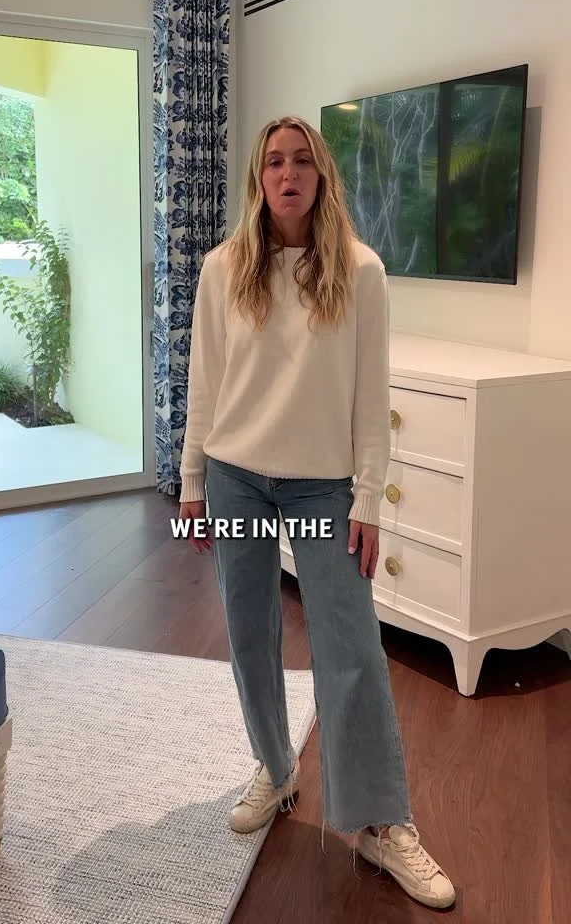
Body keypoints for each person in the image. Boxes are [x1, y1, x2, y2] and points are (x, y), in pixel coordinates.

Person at [177, 116, 455, 911]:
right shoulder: (223, 269)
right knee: (249, 634)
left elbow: (371, 397)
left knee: (351, 649)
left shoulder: (361, 272)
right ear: (259, 179)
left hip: (322, 489)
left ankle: (379, 820)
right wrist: (192, 483)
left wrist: (368, 497)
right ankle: (275, 768)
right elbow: (204, 383)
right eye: (274, 161)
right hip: (235, 479)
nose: (288, 172)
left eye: (302, 160)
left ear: (321, 175)